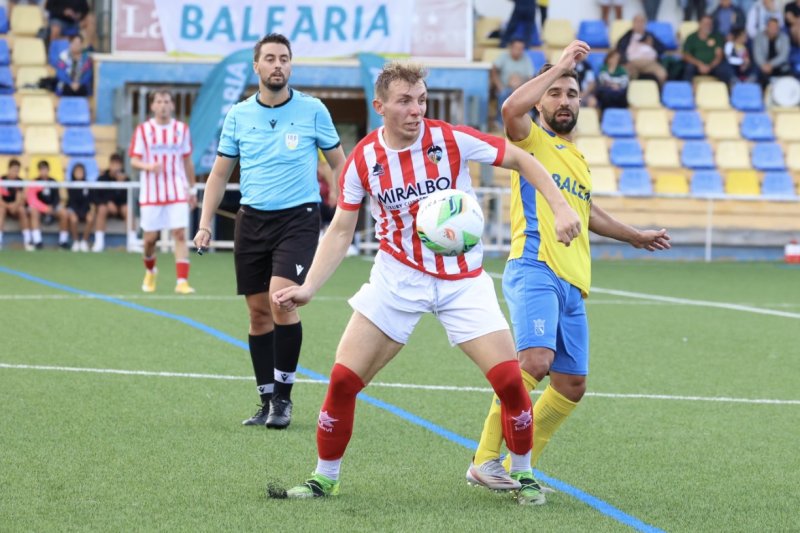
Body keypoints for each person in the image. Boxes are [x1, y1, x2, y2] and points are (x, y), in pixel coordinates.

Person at [269, 60, 582, 502]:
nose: (416, 110)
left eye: (421, 100)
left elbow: (522, 160)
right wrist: (309, 288)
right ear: (379, 106)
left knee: (511, 382)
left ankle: (524, 475)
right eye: (404, 101)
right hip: (397, 279)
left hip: (462, 280)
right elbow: (341, 229)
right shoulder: (365, 159)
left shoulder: (449, 139)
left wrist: (561, 207)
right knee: (342, 381)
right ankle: (324, 477)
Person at [470, 40, 671, 487]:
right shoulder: (530, 139)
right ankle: (484, 458)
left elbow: (587, 212)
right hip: (536, 265)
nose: (565, 101)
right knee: (535, 361)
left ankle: (516, 469)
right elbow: (509, 109)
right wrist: (560, 65)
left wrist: (634, 236)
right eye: (556, 93)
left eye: (573, 93)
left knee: (571, 385)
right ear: (540, 100)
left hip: (574, 281)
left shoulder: (577, 158)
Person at [193, 34, 347, 430]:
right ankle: (264, 398)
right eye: (270, 59)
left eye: (284, 59)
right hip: (251, 221)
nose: (278, 65)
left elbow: (338, 164)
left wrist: (348, 211)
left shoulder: (313, 110)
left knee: (282, 300)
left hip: (298, 218)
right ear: (256, 67)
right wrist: (205, 223)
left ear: (291, 66)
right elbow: (220, 173)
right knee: (258, 313)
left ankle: (283, 399)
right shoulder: (239, 115)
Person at [129, 88, 197, 294]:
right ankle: (150, 271)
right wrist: (149, 166)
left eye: (167, 101)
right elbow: (134, 160)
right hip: (151, 193)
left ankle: (182, 281)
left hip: (176, 189)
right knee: (150, 239)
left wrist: (192, 189)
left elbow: (187, 161)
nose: (163, 105)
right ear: (152, 106)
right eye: (159, 102)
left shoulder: (181, 129)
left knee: (179, 233)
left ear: (173, 105)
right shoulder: (143, 130)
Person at [92, 153, 132, 252]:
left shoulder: (125, 180)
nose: (115, 167)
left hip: (120, 208)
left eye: (118, 164)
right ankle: (99, 242)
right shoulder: (102, 178)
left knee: (127, 209)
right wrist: (107, 202)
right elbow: (96, 197)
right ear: (109, 165)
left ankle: (132, 241)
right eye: (113, 164)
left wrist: (120, 186)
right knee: (102, 209)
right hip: (106, 208)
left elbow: (127, 199)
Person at [26, 160, 69, 249]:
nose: (44, 171)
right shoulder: (35, 182)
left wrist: (52, 207)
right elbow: (32, 200)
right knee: (33, 211)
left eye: (45, 169)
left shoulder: (53, 181)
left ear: (48, 170)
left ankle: (63, 241)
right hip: (39, 208)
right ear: (39, 170)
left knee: (64, 213)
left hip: (52, 207)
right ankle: (37, 241)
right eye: (41, 169)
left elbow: (57, 197)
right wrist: (44, 208)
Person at [491, 38, 534, 127]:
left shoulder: (526, 59)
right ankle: (501, 123)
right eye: (517, 48)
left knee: (527, 96)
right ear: (511, 48)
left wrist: (520, 82)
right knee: (503, 94)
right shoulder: (504, 57)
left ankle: (524, 123)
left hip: (521, 88)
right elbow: (494, 70)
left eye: (521, 49)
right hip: (505, 87)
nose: (519, 51)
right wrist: (499, 85)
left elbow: (531, 78)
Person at [682, 14, 735, 85]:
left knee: (724, 70)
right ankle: (687, 92)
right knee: (688, 68)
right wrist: (700, 65)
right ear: (699, 24)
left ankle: (728, 91)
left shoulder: (717, 37)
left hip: (713, 66)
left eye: (710, 24)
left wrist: (709, 66)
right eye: (705, 23)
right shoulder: (691, 38)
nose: (708, 26)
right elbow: (686, 55)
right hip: (696, 66)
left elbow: (719, 55)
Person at [616, 13, 668, 86]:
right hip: (632, 63)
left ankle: (658, 95)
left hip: (650, 63)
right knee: (623, 74)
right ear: (633, 23)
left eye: (641, 22)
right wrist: (625, 61)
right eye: (637, 22)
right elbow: (619, 49)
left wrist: (652, 44)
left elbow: (662, 48)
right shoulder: (627, 36)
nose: (639, 24)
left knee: (662, 74)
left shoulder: (650, 36)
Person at [0, 159, 33, 251]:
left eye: (17, 170)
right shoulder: (2, 180)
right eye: (14, 170)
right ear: (9, 169)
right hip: (4, 206)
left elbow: (20, 199)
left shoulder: (20, 182)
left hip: (16, 207)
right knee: (1, 210)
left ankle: (28, 241)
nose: (15, 172)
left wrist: (14, 206)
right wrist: (7, 206)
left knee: (22, 210)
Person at [753, 17, 791, 87]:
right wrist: (763, 65)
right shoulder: (759, 37)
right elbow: (757, 54)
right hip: (763, 67)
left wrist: (770, 65)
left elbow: (783, 55)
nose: (773, 29)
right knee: (758, 75)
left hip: (779, 66)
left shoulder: (784, 38)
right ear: (767, 27)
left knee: (788, 73)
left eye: (775, 27)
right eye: (771, 26)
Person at [65, 162, 93, 252]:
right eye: (77, 171)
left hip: (85, 209)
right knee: (73, 219)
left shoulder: (87, 185)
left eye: (81, 171)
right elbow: (72, 201)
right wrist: (76, 212)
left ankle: (84, 241)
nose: (79, 173)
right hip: (74, 209)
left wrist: (87, 211)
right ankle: (76, 241)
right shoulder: (70, 185)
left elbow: (88, 200)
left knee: (90, 218)